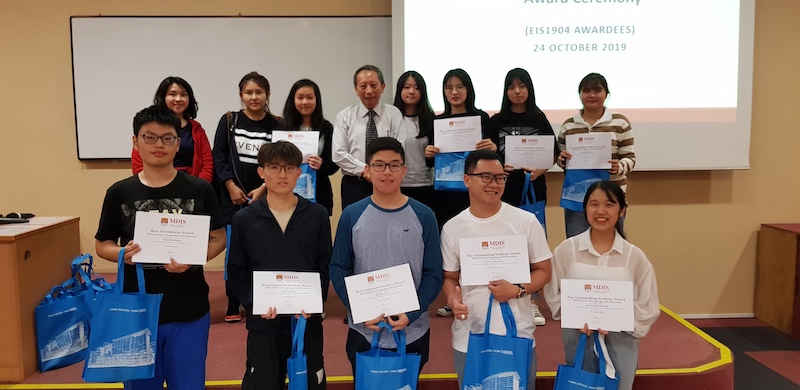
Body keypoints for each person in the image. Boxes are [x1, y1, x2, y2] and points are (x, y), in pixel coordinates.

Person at [95, 105, 226, 390]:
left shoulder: (199, 190)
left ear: (178, 143)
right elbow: (101, 244)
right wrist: (121, 254)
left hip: (189, 309)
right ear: (135, 142)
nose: (159, 145)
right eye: (150, 137)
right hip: (137, 311)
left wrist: (194, 258)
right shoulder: (120, 192)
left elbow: (218, 237)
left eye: (167, 138)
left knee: (189, 385)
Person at [329, 137, 443, 379]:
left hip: (413, 330)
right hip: (364, 329)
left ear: (404, 170)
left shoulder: (424, 215)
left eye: (394, 165)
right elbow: (339, 267)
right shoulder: (352, 215)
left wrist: (412, 313)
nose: (387, 172)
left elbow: (433, 272)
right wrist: (357, 308)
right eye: (379, 165)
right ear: (367, 171)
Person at [440, 149, 552, 390]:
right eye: (486, 177)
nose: (495, 184)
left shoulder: (525, 221)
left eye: (500, 177)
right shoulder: (452, 227)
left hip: (517, 333)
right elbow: (449, 277)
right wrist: (452, 298)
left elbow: (544, 270)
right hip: (469, 334)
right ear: (467, 180)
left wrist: (518, 290)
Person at [227, 141, 331, 390]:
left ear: (299, 171)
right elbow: (236, 270)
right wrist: (254, 304)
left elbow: (325, 265)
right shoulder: (244, 219)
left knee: (308, 384)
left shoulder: (317, 215)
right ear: (261, 172)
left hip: (306, 322)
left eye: (289, 167)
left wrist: (315, 304)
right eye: (274, 167)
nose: (282, 175)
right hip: (263, 324)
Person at [544, 181, 659, 390]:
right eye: (594, 204)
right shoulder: (566, 250)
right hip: (579, 337)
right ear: (585, 208)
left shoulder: (634, 256)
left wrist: (620, 321)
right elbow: (553, 293)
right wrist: (574, 316)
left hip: (621, 341)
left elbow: (648, 304)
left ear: (622, 210)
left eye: (609, 204)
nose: (601, 211)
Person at [428, 69, 498, 318]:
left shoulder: (481, 118)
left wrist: (493, 147)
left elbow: (492, 159)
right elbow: (431, 163)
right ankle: (453, 296)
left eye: (460, 87)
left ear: (468, 89)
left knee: (475, 241)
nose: (454, 92)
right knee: (452, 245)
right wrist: (429, 154)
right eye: (449, 87)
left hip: (474, 192)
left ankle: (479, 293)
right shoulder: (437, 120)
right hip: (445, 193)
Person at [491, 68, 558, 326]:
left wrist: (541, 169)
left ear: (529, 90)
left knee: (533, 246)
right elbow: (488, 154)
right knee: (506, 245)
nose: (517, 91)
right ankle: (505, 292)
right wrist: (499, 165)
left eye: (522, 86)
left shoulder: (539, 120)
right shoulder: (496, 121)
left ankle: (532, 301)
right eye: (512, 87)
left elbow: (554, 153)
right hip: (504, 191)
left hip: (533, 192)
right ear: (506, 91)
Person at [213, 71, 281, 323]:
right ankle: (233, 299)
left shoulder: (277, 123)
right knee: (235, 251)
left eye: (259, 92)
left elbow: (280, 159)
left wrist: (265, 187)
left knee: (265, 249)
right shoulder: (229, 120)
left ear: (267, 95)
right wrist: (229, 184)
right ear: (241, 95)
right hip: (234, 198)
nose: (254, 97)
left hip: (267, 196)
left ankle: (262, 297)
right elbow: (218, 155)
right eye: (249, 92)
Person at [557, 73, 636, 238]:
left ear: (606, 94)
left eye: (597, 90)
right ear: (580, 95)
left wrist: (619, 166)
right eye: (586, 91)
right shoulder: (569, 125)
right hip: (577, 198)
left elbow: (630, 158)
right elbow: (562, 159)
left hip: (612, 196)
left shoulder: (620, 122)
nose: (591, 95)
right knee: (577, 246)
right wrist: (561, 159)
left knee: (612, 248)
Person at [332, 65, 404, 210]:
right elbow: (338, 154)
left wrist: (378, 171)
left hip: (387, 181)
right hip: (354, 183)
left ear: (383, 87)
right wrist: (365, 170)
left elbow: (399, 149)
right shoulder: (344, 116)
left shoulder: (394, 114)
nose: (369, 91)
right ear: (356, 89)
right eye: (363, 86)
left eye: (374, 85)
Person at [132, 76, 213, 182]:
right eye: (172, 94)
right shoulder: (148, 126)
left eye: (183, 94)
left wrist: (199, 187)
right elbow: (138, 162)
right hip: (155, 184)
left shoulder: (197, 129)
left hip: (191, 184)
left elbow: (207, 163)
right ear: (163, 97)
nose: (178, 99)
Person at [277, 79, 339, 215]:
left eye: (310, 97)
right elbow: (274, 160)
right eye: (300, 98)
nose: (305, 102)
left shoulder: (326, 128)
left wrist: (322, 164)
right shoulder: (282, 127)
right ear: (293, 100)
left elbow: (334, 164)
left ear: (317, 100)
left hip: (318, 192)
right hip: (286, 191)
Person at [394, 71, 435, 207]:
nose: (411, 91)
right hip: (398, 184)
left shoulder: (431, 119)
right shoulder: (391, 118)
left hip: (425, 184)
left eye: (417, 88)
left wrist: (431, 155)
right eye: (407, 87)